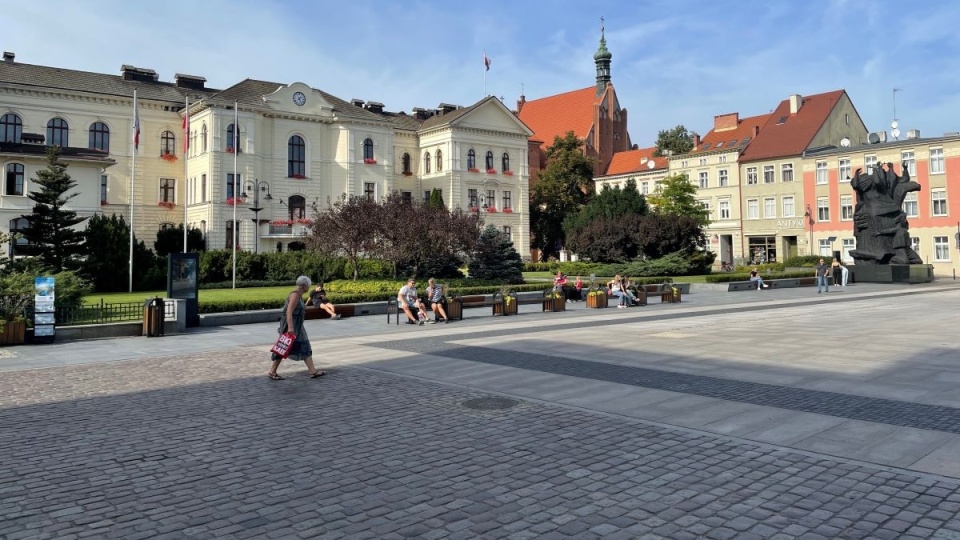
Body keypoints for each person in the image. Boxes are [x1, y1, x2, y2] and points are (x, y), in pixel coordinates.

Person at [268, 275, 325, 380]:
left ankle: (312, 371)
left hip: (297, 325)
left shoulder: (298, 295)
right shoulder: (295, 295)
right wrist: (290, 328)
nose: (309, 287)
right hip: (291, 326)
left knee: (300, 346)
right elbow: (289, 311)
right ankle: (272, 371)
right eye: (308, 285)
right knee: (284, 346)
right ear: (304, 286)